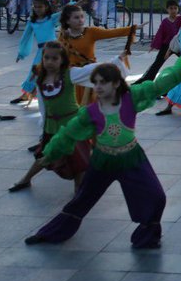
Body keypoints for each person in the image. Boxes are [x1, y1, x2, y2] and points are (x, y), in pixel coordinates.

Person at [26, 54, 181, 249]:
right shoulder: (90, 112)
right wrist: (51, 153)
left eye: (103, 83)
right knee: (82, 199)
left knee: (156, 196)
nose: (98, 87)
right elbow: (68, 133)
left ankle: (147, 237)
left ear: (116, 84)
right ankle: (50, 233)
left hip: (131, 157)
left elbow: (158, 86)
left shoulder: (131, 98)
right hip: (102, 160)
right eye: (96, 83)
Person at [8, 43, 127, 193]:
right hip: (52, 126)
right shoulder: (41, 78)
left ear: (62, 60)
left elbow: (92, 70)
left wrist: (115, 60)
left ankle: (78, 188)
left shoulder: (70, 74)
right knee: (46, 154)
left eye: (55, 58)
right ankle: (26, 179)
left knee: (78, 159)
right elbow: (43, 106)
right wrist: (44, 123)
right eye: (47, 58)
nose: (50, 62)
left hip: (72, 125)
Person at [58, 4, 139, 104]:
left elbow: (112, 32)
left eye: (82, 16)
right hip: (77, 76)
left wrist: (132, 29)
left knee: (94, 106)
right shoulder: (63, 37)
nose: (80, 20)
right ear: (67, 21)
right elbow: (59, 58)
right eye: (76, 17)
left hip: (93, 73)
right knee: (77, 107)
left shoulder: (91, 32)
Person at [12, 0, 58, 103]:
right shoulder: (32, 22)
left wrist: (76, 4)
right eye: (35, 7)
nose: (37, 9)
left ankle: (55, 94)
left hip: (55, 50)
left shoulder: (51, 19)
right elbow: (25, 38)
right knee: (34, 71)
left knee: (55, 72)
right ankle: (27, 93)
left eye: (40, 7)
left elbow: (65, 13)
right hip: (42, 51)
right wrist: (21, 53)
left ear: (46, 7)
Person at [135, 0, 181, 84]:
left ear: (178, 9)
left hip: (178, 46)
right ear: (167, 9)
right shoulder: (165, 22)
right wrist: (153, 45)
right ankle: (144, 82)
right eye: (171, 8)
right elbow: (159, 34)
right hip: (166, 46)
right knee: (157, 64)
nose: (173, 10)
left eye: (175, 8)